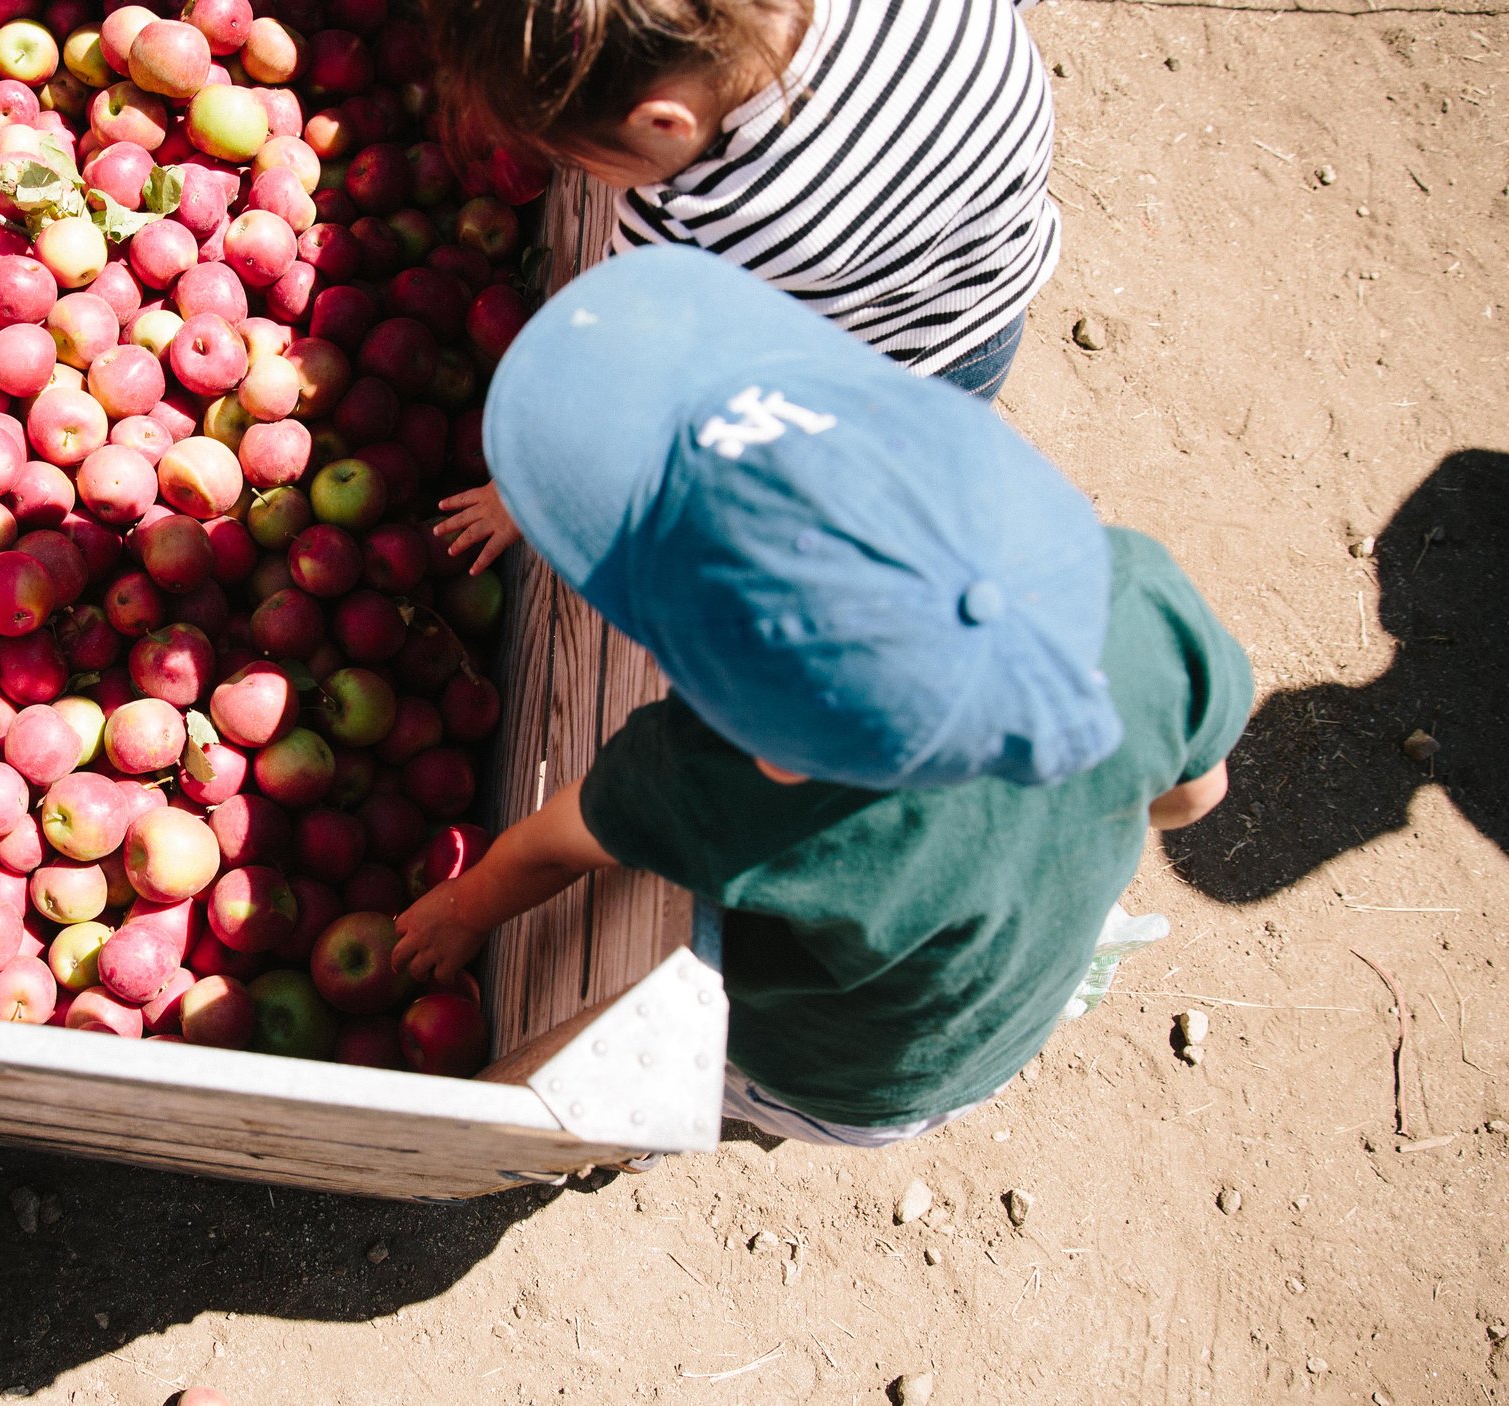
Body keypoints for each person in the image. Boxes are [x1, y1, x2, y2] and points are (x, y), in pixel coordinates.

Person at [393, 247, 1252, 1147]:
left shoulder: (716, 780)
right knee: (993, 905)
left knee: (699, 1067)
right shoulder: (1134, 594)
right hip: (1015, 976)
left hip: (847, 1073)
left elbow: (558, 841)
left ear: (777, 749)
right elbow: (1194, 796)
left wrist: (464, 908)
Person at [428, 0, 1060, 571]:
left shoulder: (695, 222)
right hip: (990, 288)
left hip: (888, 368)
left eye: (574, 159)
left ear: (664, 124)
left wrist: (527, 491)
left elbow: (610, 390)